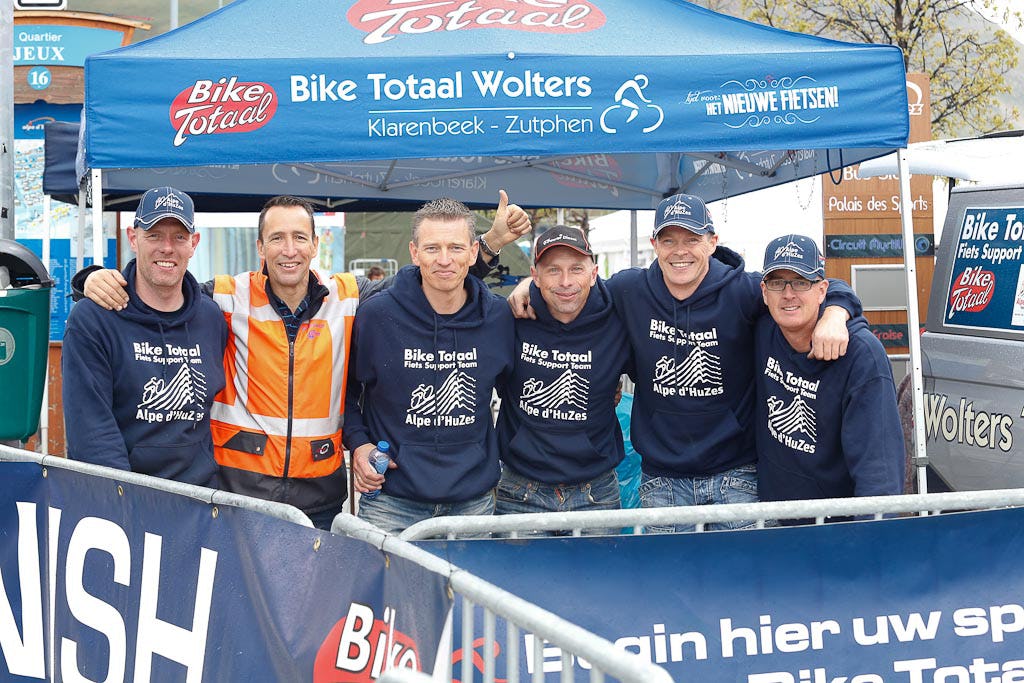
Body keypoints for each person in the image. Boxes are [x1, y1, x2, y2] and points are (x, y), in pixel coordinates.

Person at [75, 192, 530, 530]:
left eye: (299, 237)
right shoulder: (225, 299)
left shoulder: (350, 298)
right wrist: (94, 279)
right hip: (240, 494)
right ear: (260, 248)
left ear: (316, 245)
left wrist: (489, 247)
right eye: (276, 238)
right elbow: (162, 288)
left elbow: (431, 280)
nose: (288, 249)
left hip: (321, 494)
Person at [509, 193, 862, 533]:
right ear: (654, 244)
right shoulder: (630, 290)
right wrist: (530, 285)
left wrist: (835, 312)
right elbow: (573, 286)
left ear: (712, 241)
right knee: (667, 587)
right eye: (669, 240)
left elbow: (805, 287)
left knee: (743, 581)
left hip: (735, 476)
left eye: (691, 239)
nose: (680, 251)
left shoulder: (741, 291)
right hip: (662, 481)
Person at [345, 197, 516, 534]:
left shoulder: (498, 317)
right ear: (414, 252)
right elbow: (347, 393)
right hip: (391, 503)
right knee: (387, 589)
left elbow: (520, 391)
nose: (444, 260)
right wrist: (359, 443)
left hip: (473, 504)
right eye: (432, 248)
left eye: (455, 248)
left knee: (471, 591)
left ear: (472, 252)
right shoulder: (377, 316)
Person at [62, 187, 227, 487]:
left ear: (194, 243)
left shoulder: (211, 317)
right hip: (124, 505)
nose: (167, 248)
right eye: (153, 235)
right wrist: (130, 508)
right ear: (133, 238)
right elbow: (92, 436)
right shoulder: (94, 319)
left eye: (179, 236)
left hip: (201, 506)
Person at [494, 225, 633, 534]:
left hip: (596, 493)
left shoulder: (618, 320)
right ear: (535, 274)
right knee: (511, 583)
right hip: (520, 491)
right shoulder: (511, 320)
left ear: (594, 273)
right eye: (553, 270)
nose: (566, 282)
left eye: (576, 269)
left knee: (598, 582)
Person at [754, 234, 904, 508]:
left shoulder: (861, 355)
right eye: (777, 282)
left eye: (801, 282)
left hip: (838, 527)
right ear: (764, 291)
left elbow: (879, 474)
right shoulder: (760, 327)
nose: (788, 293)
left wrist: (872, 540)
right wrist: (839, 308)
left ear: (822, 290)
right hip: (772, 521)